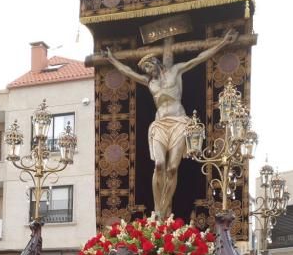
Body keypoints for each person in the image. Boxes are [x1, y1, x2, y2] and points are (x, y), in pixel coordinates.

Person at [102, 28, 238, 217]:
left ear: (156, 63)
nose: (148, 71)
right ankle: (158, 210)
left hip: (179, 123)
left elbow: (198, 58)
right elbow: (127, 71)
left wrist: (223, 43)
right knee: (159, 165)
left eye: (149, 67)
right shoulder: (149, 82)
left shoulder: (175, 71)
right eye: (145, 70)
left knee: (172, 169)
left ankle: (165, 208)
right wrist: (111, 59)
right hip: (159, 125)